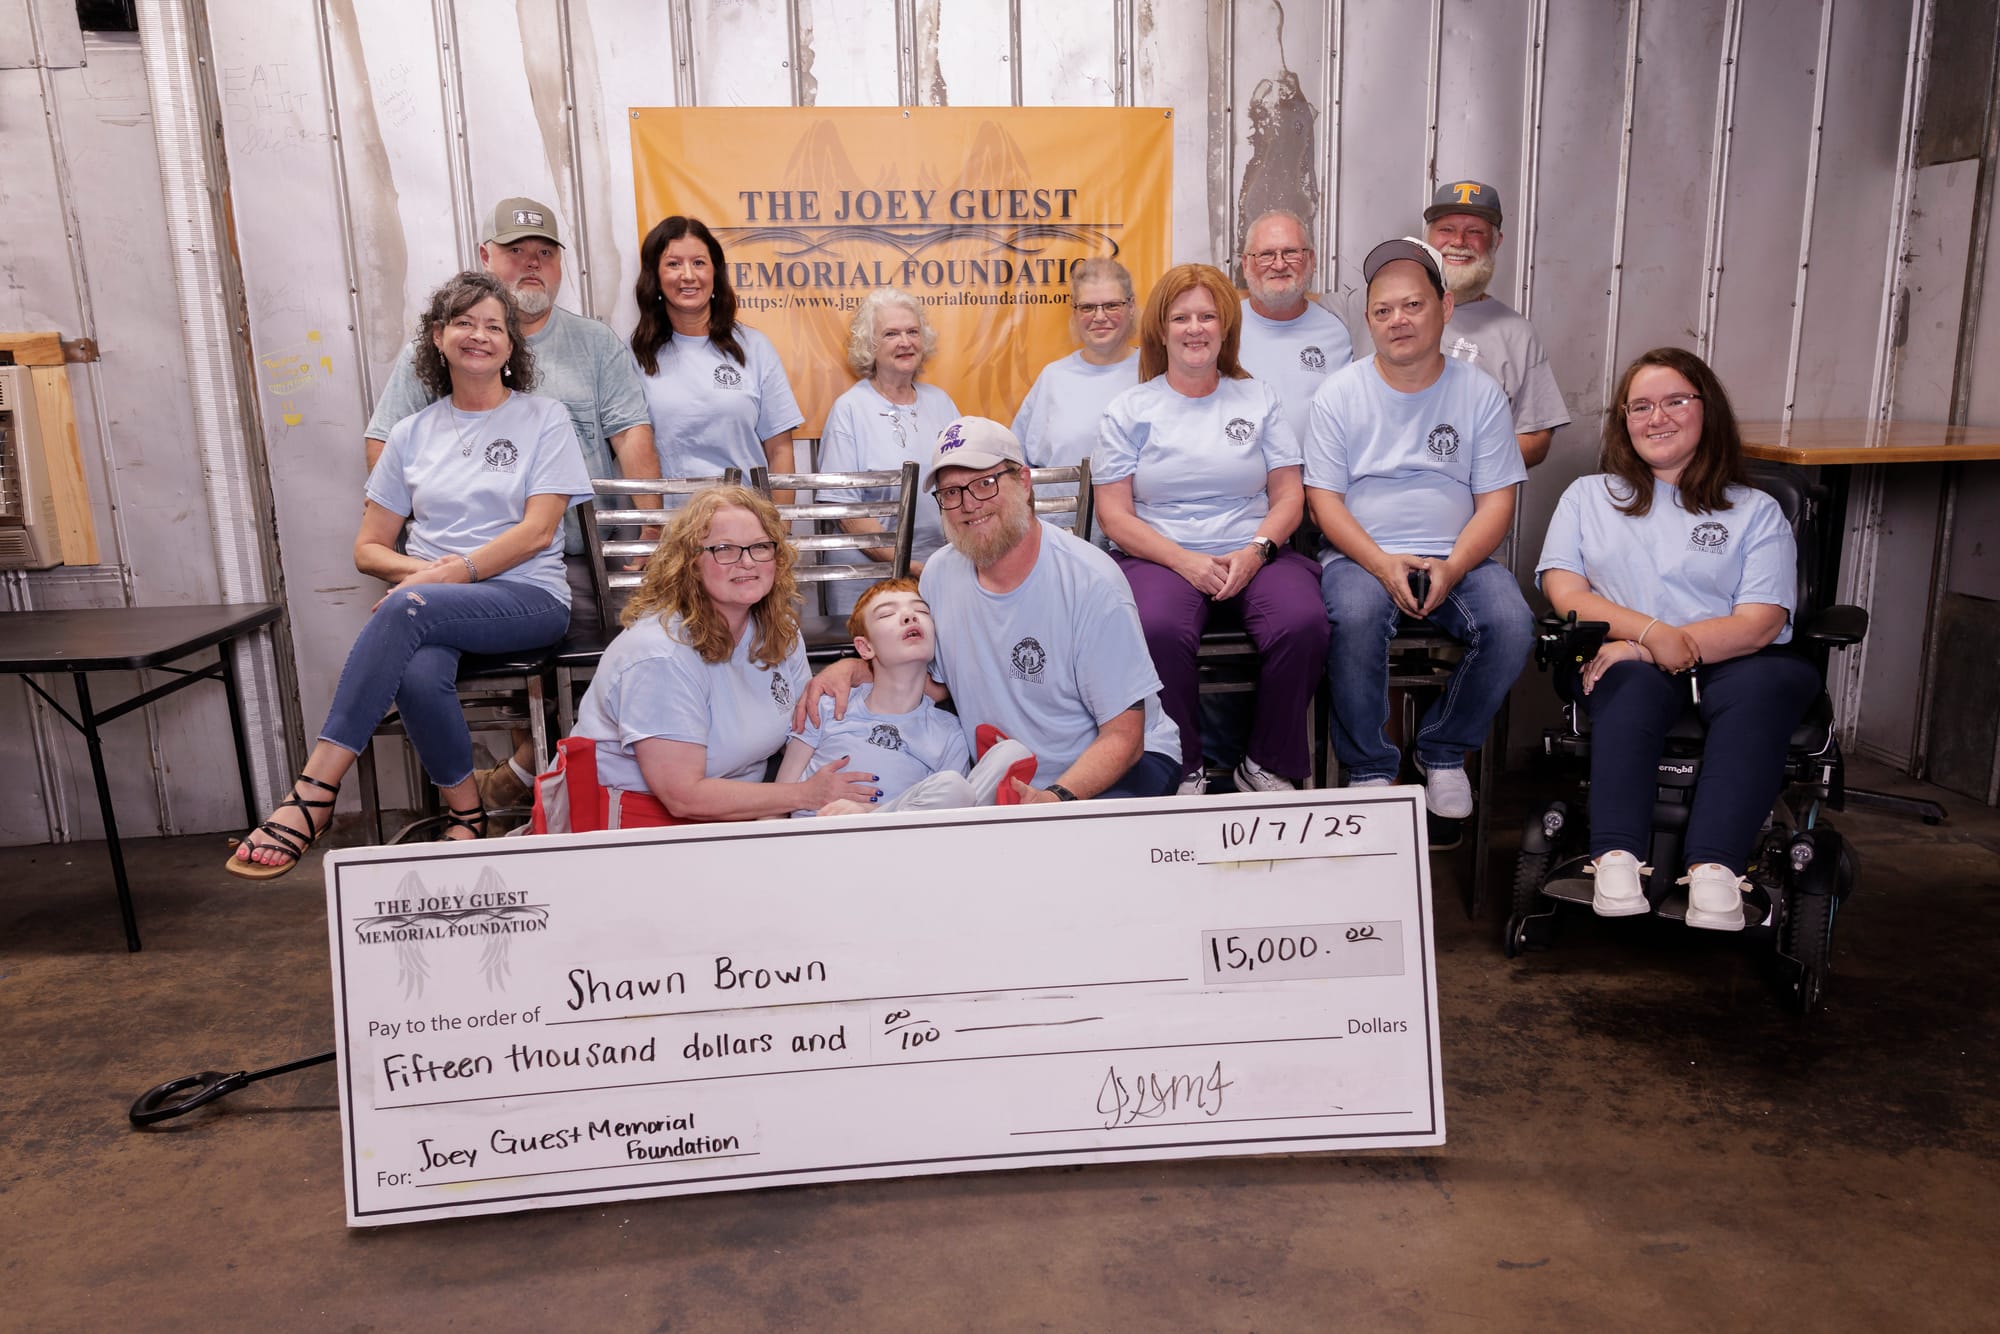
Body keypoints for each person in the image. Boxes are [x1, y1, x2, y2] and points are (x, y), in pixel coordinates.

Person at [229, 271, 593, 878]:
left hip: (527, 596)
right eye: (464, 323)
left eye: (494, 326)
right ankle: (468, 815)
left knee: (408, 610)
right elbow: (369, 550)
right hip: (430, 604)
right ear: (438, 337)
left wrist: (452, 575)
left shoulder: (544, 418)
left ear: (511, 345)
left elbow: (537, 532)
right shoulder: (410, 434)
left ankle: (314, 792)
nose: (479, 335)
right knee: (419, 673)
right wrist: (429, 575)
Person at [359, 197, 660, 813]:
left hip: (574, 560)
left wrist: (647, 535)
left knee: (605, 672)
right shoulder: (439, 348)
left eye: (544, 253)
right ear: (485, 257)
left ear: (560, 264)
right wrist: (445, 544)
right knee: (429, 669)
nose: (531, 263)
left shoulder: (593, 343)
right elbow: (386, 446)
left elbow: (631, 438)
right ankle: (501, 798)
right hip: (458, 565)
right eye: (515, 251)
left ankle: (529, 786)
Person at [1538, 348, 1817, 930]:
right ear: (1623, 420)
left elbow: (1760, 621)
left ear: (1706, 409)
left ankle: (1716, 869)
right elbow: (1564, 591)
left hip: (1732, 659)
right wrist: (1647, 637)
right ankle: (1616, 858)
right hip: (1620, 659)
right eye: (1640, 406)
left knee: (1769, 685)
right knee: (1628, 683)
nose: (1656, 418)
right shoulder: (1588, 497)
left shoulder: (1755, 511)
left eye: (1674, 402)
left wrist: (1650, 643)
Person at [800, 417, 1182, 802]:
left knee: (1073, 841)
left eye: (985, 483)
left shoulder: (1091, 582)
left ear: (1023, 482)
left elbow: (1124, 736)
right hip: (1007, 775)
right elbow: (938, 683)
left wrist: (1054, 799)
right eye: (951, 492)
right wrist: (858, 668)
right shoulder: (940, 574)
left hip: (1115, 766)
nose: (969, 505)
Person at [1304, 237, 1533, 826]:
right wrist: (1381, 563)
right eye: (1382, 310)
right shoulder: (1339, 395)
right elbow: (1323, 502)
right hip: (1360, 557)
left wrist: (1454, 566)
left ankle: (1443, 750)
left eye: (1412, 305)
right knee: (1355, 617)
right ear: (1369, 321)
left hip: (1458, 557)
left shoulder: (1480, 393)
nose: (1397, 320)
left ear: (1445, 307)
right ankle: (1369, 766)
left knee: (1511, 624)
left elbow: (1497, 501)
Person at [1095, 263, 1329, 795]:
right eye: (1181, 318)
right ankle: (1185, 766)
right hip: (1161, 556)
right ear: (1161, 330)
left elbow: (1289, 496)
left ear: (1226, 327)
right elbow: (1114, 516)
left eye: (1207, 317)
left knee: (1303, 622)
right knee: (1153, 628)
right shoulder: (1130, 409)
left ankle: (1266, 762)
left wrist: (1256, 550)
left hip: (1254, 550)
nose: (1195, 329)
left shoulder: (1258, 398)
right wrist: (1185, 561)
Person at [552, 487, 878, 827]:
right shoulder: (659, 654)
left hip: (742, 809)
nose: (747, 561)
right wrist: (805, 796)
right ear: (689, 563)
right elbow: (683, 797)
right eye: (724, 549)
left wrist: (848, 669)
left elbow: (804, 732)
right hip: (632, 824)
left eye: (760, 546)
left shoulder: (778, 630)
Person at [775, 578, 1036, 816]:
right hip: (822, 837)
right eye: (887, 614)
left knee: (1007, 756)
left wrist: (868, 812)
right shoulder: (827, 705)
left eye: (921, 611)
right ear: (865, 647)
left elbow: (951, 810)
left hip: (908, 843)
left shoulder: (947, 731)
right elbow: (779, 798)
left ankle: (873, 819)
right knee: (953, 786)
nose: (910, 616)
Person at [815, 289, 961, 613]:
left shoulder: (942, 403)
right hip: (867, 581)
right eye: (891, 334)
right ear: (870, 346)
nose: (905, 342)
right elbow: (846, 512)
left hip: (938, 572)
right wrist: (908, 565)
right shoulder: (849, 409)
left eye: (912, 332)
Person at [632, 215, 803, 481]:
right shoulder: (633, 355)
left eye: (699, 263)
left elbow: (779, 450)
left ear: (715, 272)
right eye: (673, 264)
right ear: (655, 276)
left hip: (745, 506)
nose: (688, 275)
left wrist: (775, 511)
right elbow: (631, 452)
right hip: (670, 508)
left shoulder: (755, 348)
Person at [1423, 179, 1569, 468]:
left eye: (1474, 231)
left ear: (1496, 241)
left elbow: (1536, 437)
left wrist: (1458, 465)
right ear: (1427, 237)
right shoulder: (1381, 310)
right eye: (1446, 229)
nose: (1458, 242)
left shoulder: (1517, 333)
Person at [1012, 257, 1142, 545]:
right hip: (1060, 542)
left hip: (1135, 546)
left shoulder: (1154, 373)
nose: (1099, 316)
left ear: (1131, 307)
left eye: (1112, 305)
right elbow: (1016, 462)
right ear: (1074, 312)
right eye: (1087, 307)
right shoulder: (1053, 378)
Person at [1234, 210, 1354, 442]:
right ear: (1246, 264)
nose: (1279, 264)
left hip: (1319, 466)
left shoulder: (1338, 330)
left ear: (1311, 260)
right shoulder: (1221, 329)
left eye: (1291, 252)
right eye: (1266, 254)